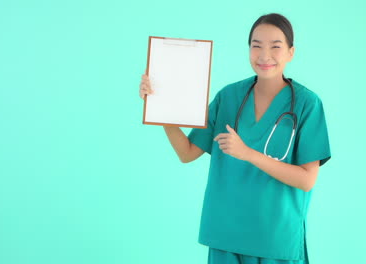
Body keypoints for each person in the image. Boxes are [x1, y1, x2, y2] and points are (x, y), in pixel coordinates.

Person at [139, 13, 331, 264]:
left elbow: (307, 180)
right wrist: (160, 107)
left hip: (274, 238)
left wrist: (248, 154)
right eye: (256, 46)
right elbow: (187, 153)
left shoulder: (308, 104)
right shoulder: (228, 97)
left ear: (291, 52)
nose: (264, 55)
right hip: (225, 235)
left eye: (275, 47)